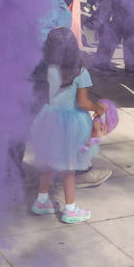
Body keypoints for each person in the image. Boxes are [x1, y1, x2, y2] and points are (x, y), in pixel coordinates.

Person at [28, 27, 106, 225]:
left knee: (48, 162)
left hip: (48, 118)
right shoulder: (80, 71)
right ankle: (70, 210)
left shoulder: (46, 68)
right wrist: (98, 108)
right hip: (71, 124)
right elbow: (82, 102)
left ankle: (42, 200)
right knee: (69, 169)